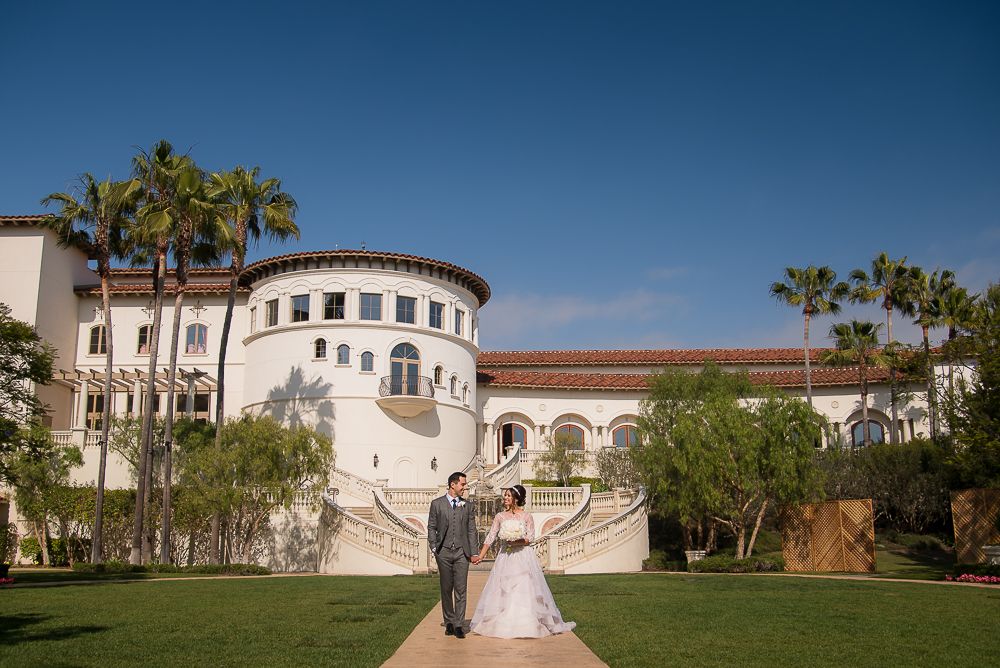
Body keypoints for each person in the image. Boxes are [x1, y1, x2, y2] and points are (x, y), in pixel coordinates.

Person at [470, 484, 576, 638]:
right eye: (505, 495)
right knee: (503, 587)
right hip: (506, 557)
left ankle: (527, 622)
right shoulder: (500, 516)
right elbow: (490, 537)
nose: (505, 498)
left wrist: (517, 541)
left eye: (508, 495)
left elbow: (530, 538)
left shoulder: (527, 516)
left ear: (516, 498)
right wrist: (480, 556)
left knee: (524, 586)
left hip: (522, 556)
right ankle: (502, 621)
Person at [427, 471, 479, 639]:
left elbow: (472, 530)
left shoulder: (468, 505)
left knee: (461, 589)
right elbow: (431, 527)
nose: (465, 487)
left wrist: (474, 552)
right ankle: (448, 621)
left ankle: (458, 624)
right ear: (453, 485)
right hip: (443, 552)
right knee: (446, 588)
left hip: (462, 554)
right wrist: (434, 547)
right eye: (463, 484)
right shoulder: (437, 504)